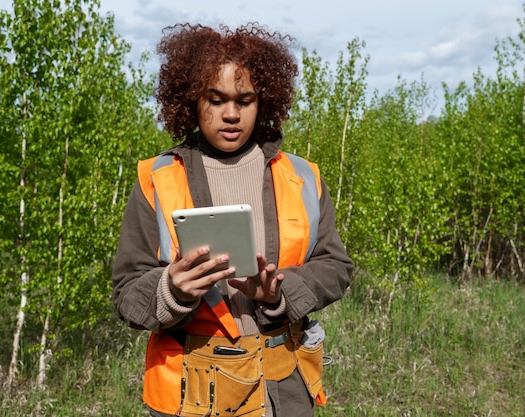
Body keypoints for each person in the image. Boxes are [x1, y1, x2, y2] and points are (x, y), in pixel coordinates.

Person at [112, 22, 353, 417]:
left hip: (284, 390)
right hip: (190, 391)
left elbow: (336, 268)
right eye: (216, 98)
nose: (231, 114)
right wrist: (172, 290)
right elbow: (126, 292)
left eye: (245, 100)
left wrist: (278, 295)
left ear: (264, 103)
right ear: (191, 99)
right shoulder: (155, 178)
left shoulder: (302, 176)